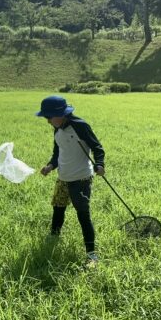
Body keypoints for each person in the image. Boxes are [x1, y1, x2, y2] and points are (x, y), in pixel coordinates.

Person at [36, 95, 105, 267]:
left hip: (80, 178)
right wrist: (50, 166)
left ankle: (92, 255)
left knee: (83, 215)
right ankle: (53, 237)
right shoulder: (57, 128)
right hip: (63, 177)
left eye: (49, 117)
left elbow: (97, 147)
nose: (48, 121)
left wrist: (100, 164)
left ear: (60, 114)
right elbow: (57, 153)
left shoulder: (80, 126)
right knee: (58, 208)